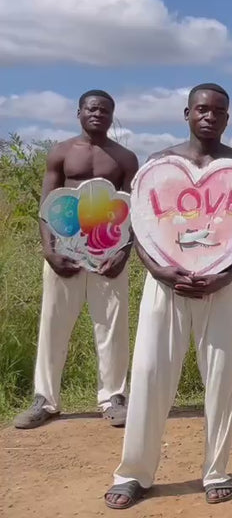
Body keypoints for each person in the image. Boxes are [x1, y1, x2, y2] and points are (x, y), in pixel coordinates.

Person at [104, 83, 232, 509]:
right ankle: (134, 472)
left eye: (218, 111)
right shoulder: (159, 164)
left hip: (223, 288)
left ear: (228, 118)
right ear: (186, 113)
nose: (209, 116)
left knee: (223, 382)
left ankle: (217, 470)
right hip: (165, 287)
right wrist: (160, 272)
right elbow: (141, 228)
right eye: (201, 109)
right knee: (151, 377)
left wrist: (226, 275)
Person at [14, 90, 139, 430]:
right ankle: (45, 400)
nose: (98, 114)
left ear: (113, 116)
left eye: (105, 110)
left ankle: (113, 397)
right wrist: (49, 251)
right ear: (79, 112)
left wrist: (123, 254)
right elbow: (46, 205)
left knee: (112, 326)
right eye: (92, 108)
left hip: (108, 254)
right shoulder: (62, 152)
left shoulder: (125, 158)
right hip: (64, 253)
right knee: (54, 324)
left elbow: (132, 211)